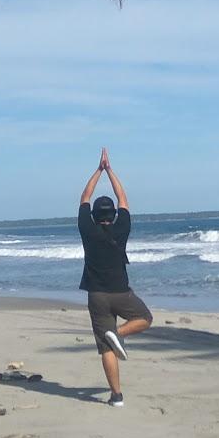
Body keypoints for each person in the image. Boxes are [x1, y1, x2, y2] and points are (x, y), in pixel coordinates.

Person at [78, 147, 153, 407]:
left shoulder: (87, 229)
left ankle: (117, 396)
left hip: (97, 296)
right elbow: (123, 197)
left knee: (105, 347)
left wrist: (98, 170)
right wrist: (110, 170)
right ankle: (118, 333)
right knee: (145, 318)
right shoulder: (122, 227)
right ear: (113, 216)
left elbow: (84, 197)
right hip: (121, 292)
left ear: (95, 216)